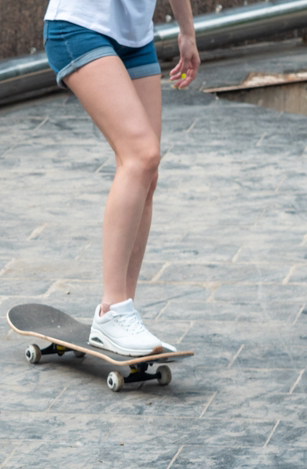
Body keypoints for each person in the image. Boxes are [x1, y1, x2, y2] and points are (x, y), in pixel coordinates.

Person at [43, 0, 199, 355]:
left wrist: (187, 32)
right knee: (141, 156)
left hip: (134, 36)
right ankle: (112, 310)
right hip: (79, 26)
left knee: (148, 173)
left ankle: (122, 312)